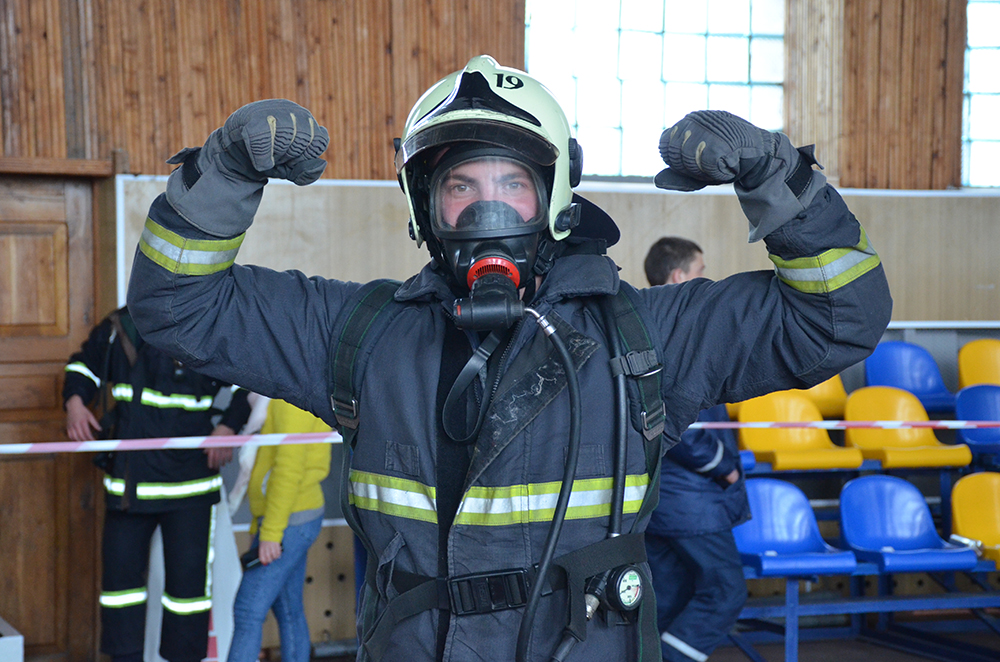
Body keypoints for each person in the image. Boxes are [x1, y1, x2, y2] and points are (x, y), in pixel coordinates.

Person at [125, 55, 892, 662]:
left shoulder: (648, 335)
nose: (486, 208)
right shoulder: (356, 335)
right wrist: (221, 177)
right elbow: (175, 308)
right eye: (461, 184)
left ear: (554, 197)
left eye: (511, 183)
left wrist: (776, 178)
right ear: (425, 205)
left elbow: (838, 315)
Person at [63, 306, 250, 662]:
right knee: (120, 593)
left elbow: (251, 380)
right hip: (129, 490)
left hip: (190, 490)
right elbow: (81, 365)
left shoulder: (207, 324)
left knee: (188, 596)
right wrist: (74, 402)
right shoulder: (121, 326)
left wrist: (229, 426)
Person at [642, 237, 750, 662]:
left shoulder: (645, 325)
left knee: (668, 598)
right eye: (701, 270)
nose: (709, 278)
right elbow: (672, 419)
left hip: (663, 498)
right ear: (680, 277)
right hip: (689, 499)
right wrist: (723, 465)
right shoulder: (678, 335)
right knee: (725, 592)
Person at [227, 399, 332, 662]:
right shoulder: (287, 397)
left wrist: (271, 534)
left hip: (289, 522)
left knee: (247, 610)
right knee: (289, 610)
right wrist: (260, 527)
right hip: (292, 519)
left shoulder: (290, 402)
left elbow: (288, 471)